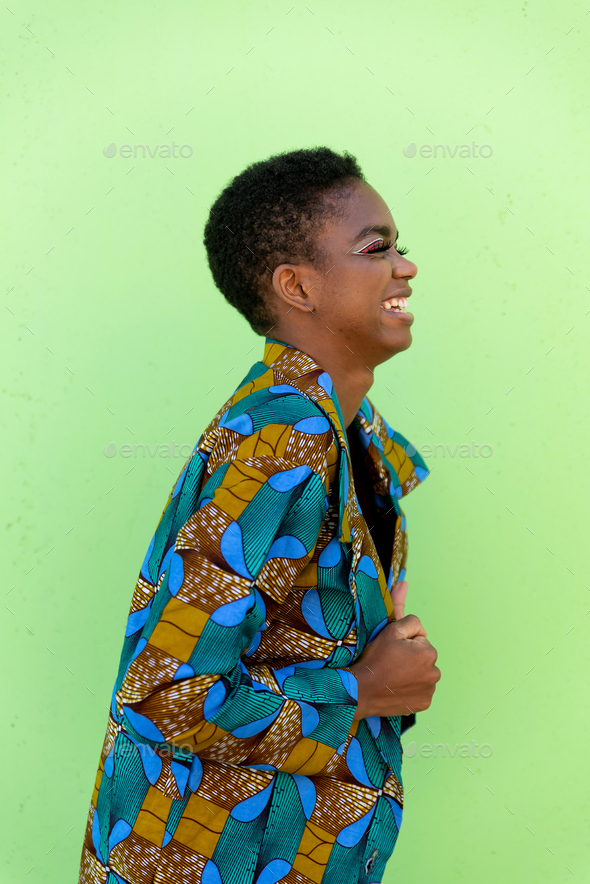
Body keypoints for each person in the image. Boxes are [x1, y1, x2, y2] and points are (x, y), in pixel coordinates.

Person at [78, 146, 441, 884]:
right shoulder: (281, 441)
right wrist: (365, 691)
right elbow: (165, 696)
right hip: (212, 860)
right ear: (297, 286)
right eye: (376, 249)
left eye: (400, 246)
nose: (405, 267)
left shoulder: (348, 424)